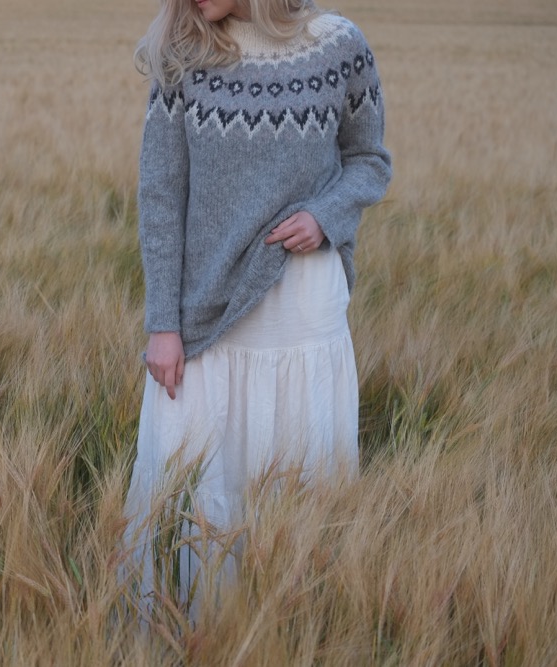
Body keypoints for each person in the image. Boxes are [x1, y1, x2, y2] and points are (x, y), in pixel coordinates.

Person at [121, 0, 392, 616]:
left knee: (298, 481)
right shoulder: (183, 54)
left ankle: (294, 629)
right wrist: (163, 323)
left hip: (303, 308)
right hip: (206, 316)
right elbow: (161, 193)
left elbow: (369, 160)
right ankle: (190, 631)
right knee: (194, 489)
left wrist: (325, 215)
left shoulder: (337, 46)